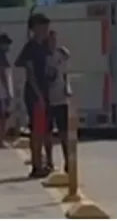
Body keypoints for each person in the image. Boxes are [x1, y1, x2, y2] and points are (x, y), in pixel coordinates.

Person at [15, 13, 51, 178]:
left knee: (42, 129)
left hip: (43, 92)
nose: (45, 30)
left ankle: (41, 162)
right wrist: (39, 95)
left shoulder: (43, 47)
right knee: (36, 130)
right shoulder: (31, 48)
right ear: (35, 28)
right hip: (35, 94)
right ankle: (36, 165)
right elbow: (30, 73)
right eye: (43, 26)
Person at [45, 30, 71, 173]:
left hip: (61, 99)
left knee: (64, 132)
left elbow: (66, 73)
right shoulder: (42, 57)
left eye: (54, 40)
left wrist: (68, 87)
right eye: (50, 40)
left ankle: (68, 161)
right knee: (47, 132)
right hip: (48, 99)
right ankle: (49, 161)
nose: (53, 43)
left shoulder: (61, 55)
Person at [0, 33, 13, 148]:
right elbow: (3, 74)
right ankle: (1, 140)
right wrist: (8, 92)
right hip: (1, 93)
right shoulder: (1, 56)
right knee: (2, 117)